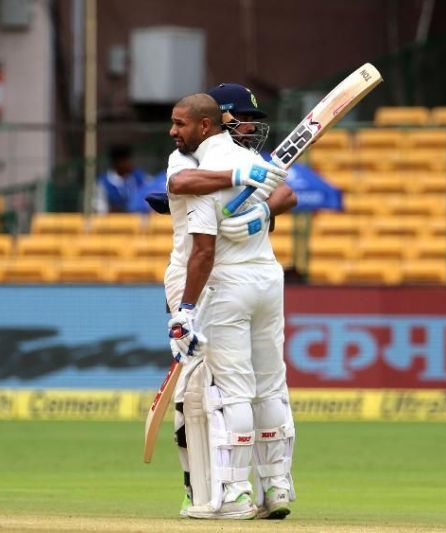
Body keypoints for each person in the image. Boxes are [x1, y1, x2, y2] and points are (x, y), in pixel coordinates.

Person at [165, 90, 296, 520]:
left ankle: (237, 494)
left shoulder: (210, 163)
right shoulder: (241, 163)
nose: (172, 132)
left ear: (205, 124)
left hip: (226, 284)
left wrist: (184, 311)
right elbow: (176, 184)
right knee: (271, 384)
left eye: (179, 124)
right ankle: (277, 488)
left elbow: (202, 251)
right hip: (267, 278)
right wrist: (242, 178)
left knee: (235, 391)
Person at [93, 144, 147, 213]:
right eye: (127, 160)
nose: (130, 163)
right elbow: (100, 210)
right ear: (118, 162)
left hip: (136, 221)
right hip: (112, 221)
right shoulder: (103, 182)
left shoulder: (138, 177)